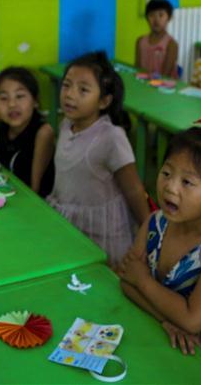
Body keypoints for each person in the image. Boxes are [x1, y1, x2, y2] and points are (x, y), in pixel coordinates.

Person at [116, 116, 201, 383]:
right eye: (166, 173)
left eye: (187, 182)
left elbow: (192, 321)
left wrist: (142, 278)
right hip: (164, 335)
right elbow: (125, 283)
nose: (170, 187)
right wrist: (165, 321)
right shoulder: (155, 222)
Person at [47, 51, 150, 264]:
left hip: (103, 233)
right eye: (66, 85)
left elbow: (134, 189)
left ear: (103, 101)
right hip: (71, 220)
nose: (69, 94)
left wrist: (148, 234)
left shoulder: (111, 137)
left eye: (83, 90)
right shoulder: (66, 124)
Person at [0, 66, 55, 197]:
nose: (12, 104)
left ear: (35, 101)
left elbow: (35, 189)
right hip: (6, 193)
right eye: (4, 98)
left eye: (20, 96)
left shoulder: (43, 133)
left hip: (35, 203)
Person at [135, 0, 179, 78]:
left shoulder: (171, 44)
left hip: (164, 87)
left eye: (161, 15)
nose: (156, 20)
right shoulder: (140, 41)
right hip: (143, 83)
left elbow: (165, 75)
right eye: (151, 15)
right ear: (146, 18)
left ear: (169, 18)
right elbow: (137, 69)